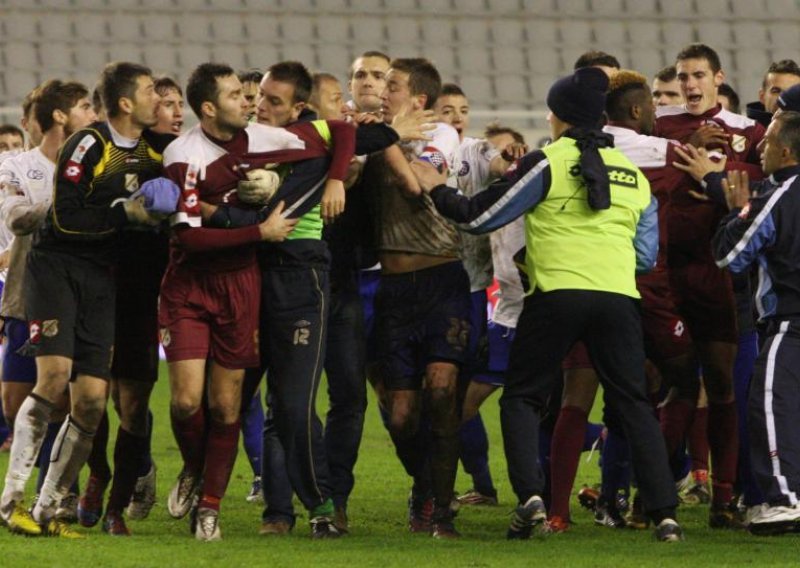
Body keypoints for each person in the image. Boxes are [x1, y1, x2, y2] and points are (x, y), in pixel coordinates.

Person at [412, 66, 683, 542]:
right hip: (618, 298)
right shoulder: (633, 177)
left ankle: (532, 500)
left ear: (556, 117)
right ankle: (665, 516)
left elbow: (481, 217)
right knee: (634, 404)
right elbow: (645, 256)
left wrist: (437, 187)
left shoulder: (547, 161)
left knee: (522, 397)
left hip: (556, 295)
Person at [0, 61, 170, 537]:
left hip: (102, 277)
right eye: (149, 90)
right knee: (53, 379)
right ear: (125, 102)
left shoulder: (153, 154)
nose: (157, 97)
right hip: (56, 268)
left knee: (92, 402)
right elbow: (69, 217)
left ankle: (49, 506)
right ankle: (11, 500)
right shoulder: (90, 143)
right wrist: (126, 213)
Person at [655, 43, 766, 527]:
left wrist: (722, 176)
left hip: (718, 276)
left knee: (722, 387)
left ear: (718, 78)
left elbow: (762, 188)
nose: (690, 85)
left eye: (699, 75)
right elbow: (653, 186)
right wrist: (690, 152)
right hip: (663, 276)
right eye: (684, 77)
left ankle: (724, 497)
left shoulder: (749, 132)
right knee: (662, 385)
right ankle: (653, 494)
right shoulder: (661, 128)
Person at [713, 110, 800, 535]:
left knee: (772, 406)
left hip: (792, 321)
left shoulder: (780, 194)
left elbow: (730, 257)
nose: (760, 149)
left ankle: (783, 500)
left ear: (786, 150)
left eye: (767, 142)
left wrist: (736, 213)